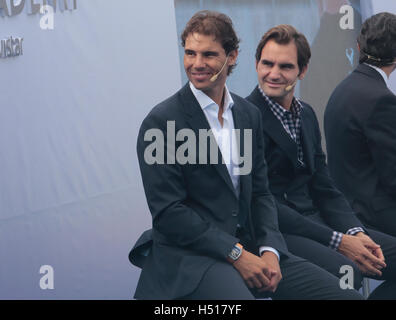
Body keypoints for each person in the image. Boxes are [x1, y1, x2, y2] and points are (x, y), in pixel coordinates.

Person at [128, 11, 363, 300]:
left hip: (249, 246)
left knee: (345, 295)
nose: (197, 64)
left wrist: (271, 250)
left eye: (209, 54)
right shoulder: (162, 122)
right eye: (190, 53)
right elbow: (169, 214)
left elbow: (261, 195)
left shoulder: (247, 114)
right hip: (192, 257)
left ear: (232, 56)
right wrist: (235, 253)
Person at [246, 24, 396, 299]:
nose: (273, 74)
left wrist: (356, 232)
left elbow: (325, 186)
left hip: (323, 222)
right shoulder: (244, 119)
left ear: (302, 71)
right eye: (267, 63)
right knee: (347, 272)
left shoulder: (306, 114)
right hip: (280, 232)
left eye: (285, 66)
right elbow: (262, 202)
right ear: (256, 64)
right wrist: (339, 241)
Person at [324, 12, 396, 238]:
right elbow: (393, 176)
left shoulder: (343, 89)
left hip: (346, 210)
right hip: (374, 216)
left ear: (358, 46)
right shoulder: (381, 99)